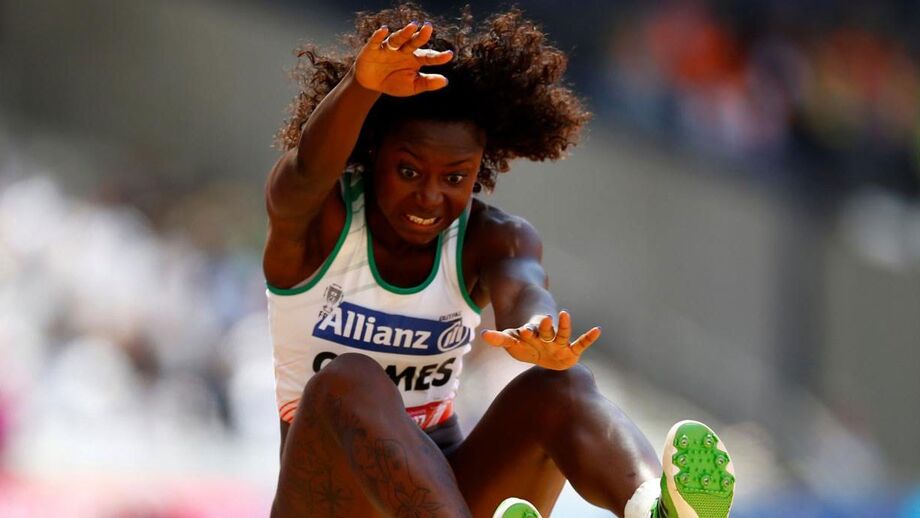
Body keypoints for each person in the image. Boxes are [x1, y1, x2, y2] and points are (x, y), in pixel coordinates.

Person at [264, 4, 735, 517]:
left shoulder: (491, 239)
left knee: (561, 385)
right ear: (374, 152)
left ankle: (654, 508)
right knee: (349, 380)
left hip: (447, 496)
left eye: (455, 178)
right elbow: (306, 170)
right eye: (409, 171)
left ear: (479, 171)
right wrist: (360, 86)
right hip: (325, 500)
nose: (429, 197)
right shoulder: (319, 220)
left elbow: (525, 289)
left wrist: (538, 331)